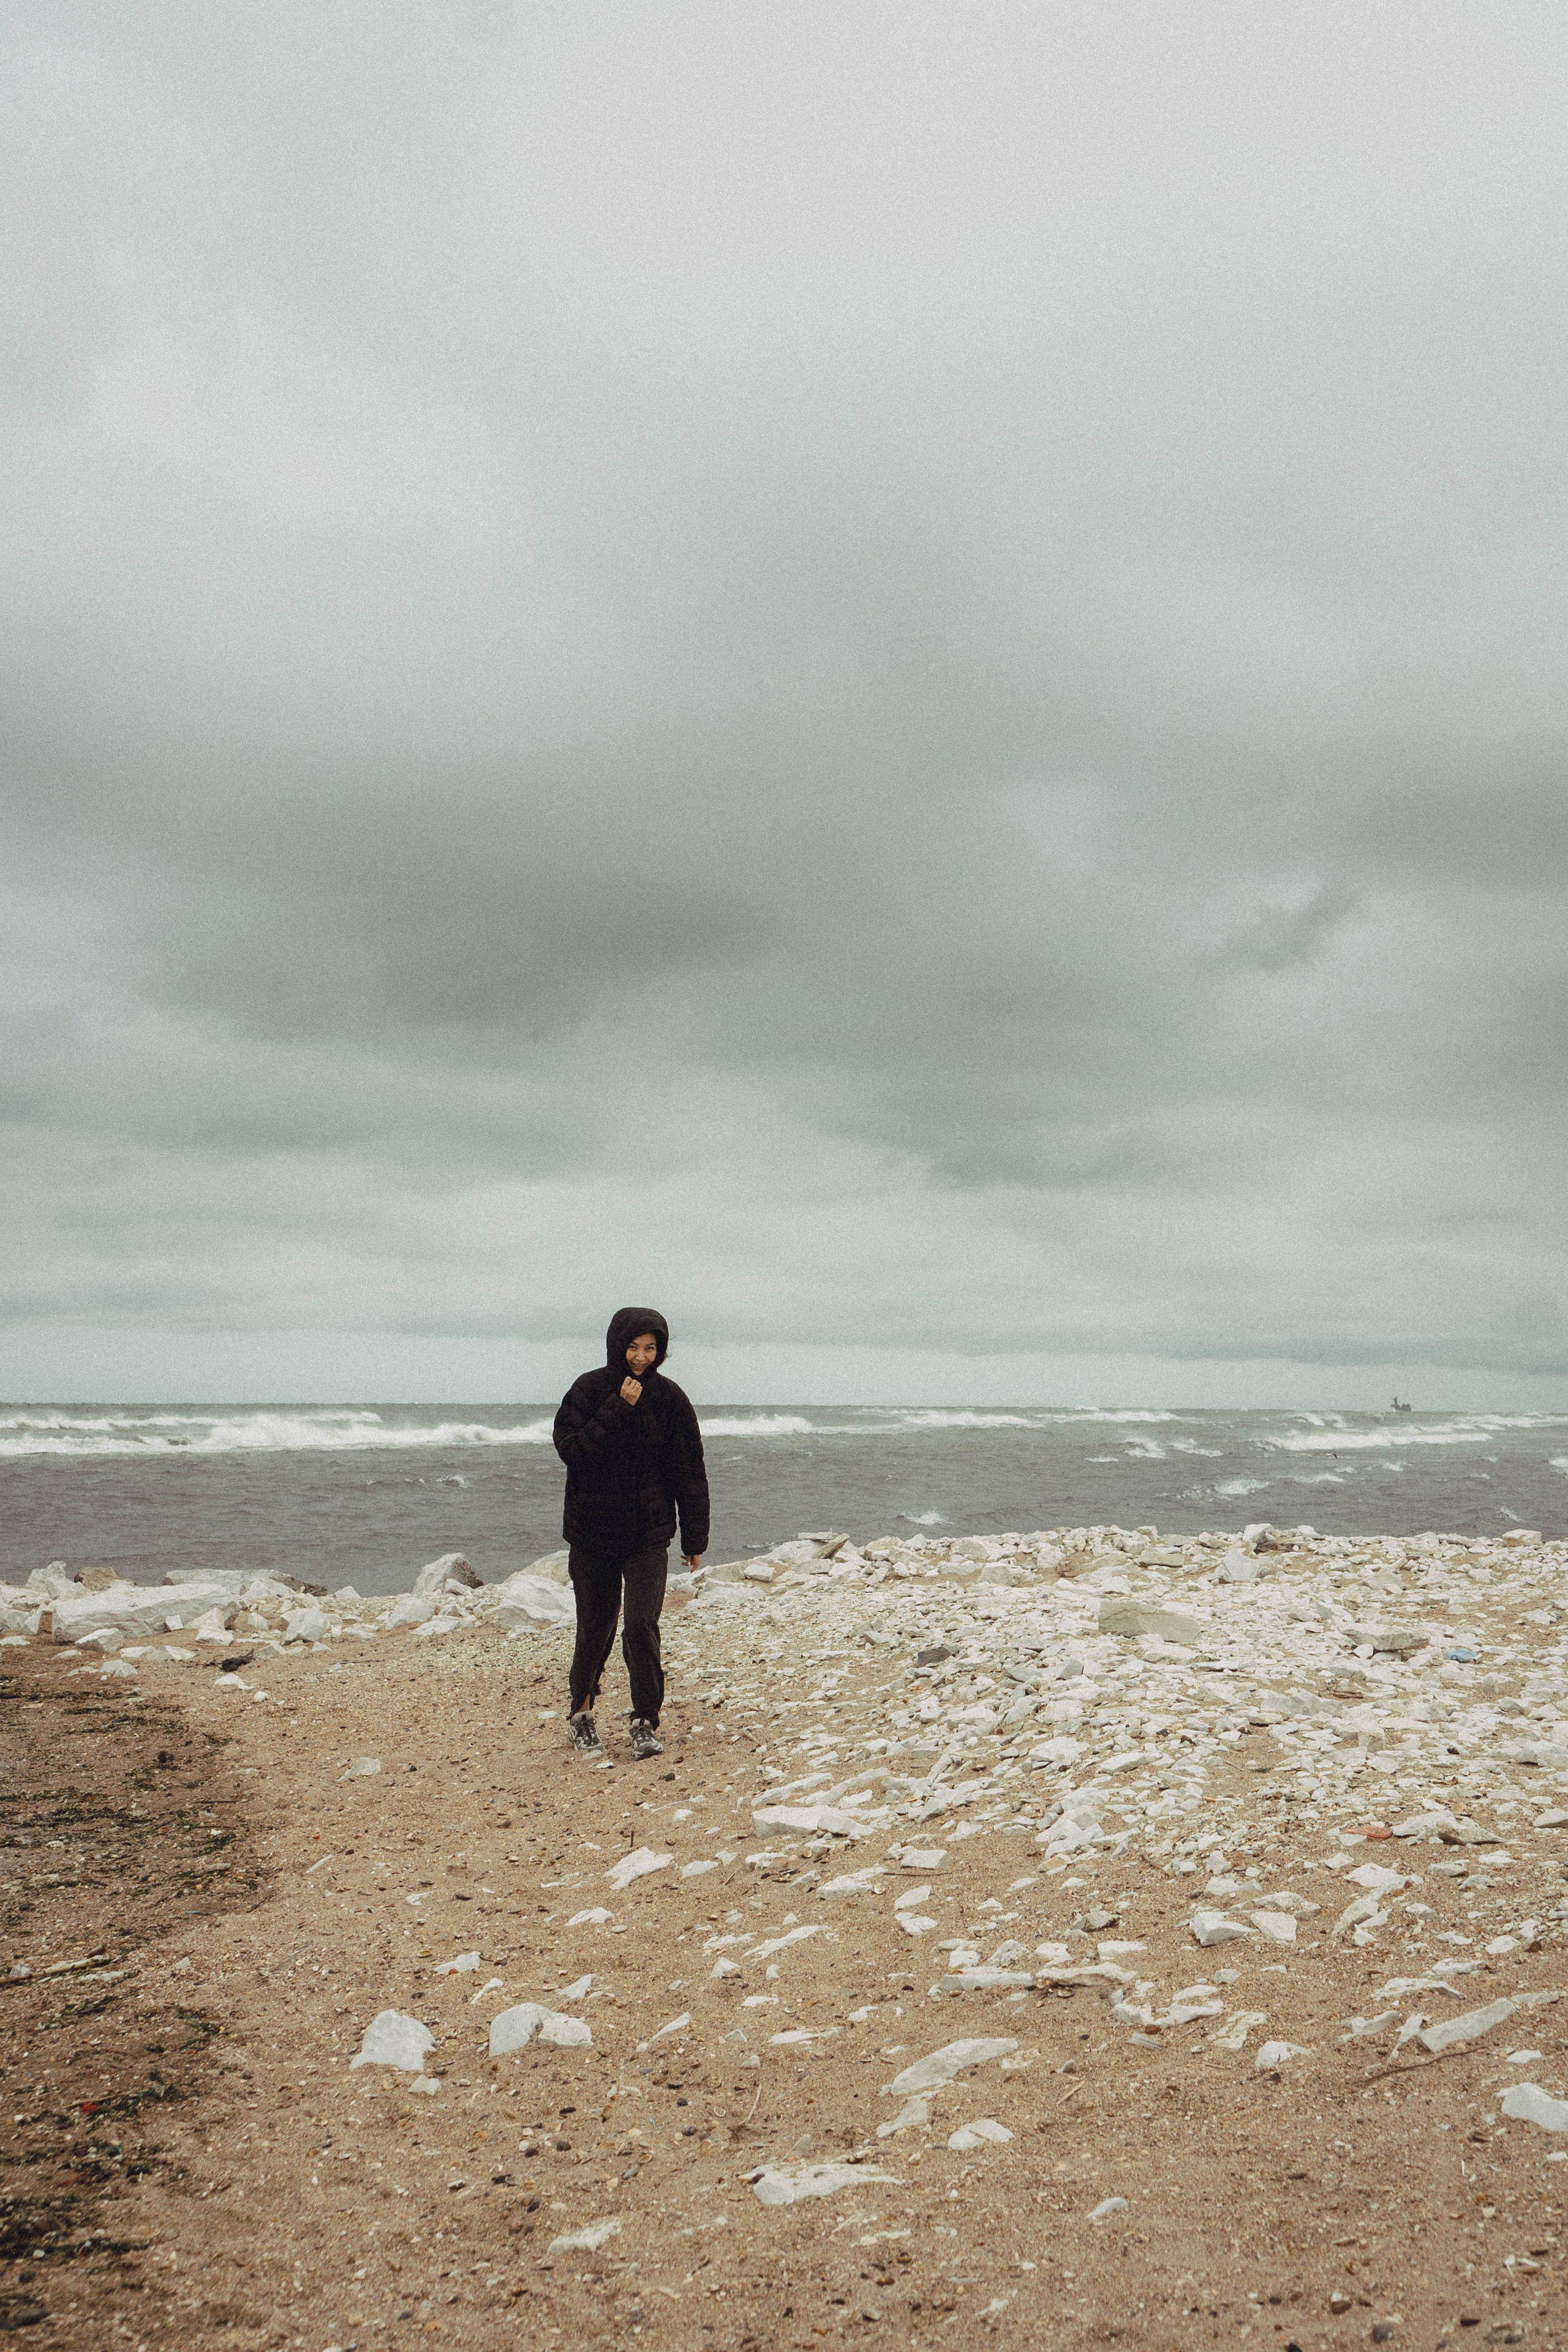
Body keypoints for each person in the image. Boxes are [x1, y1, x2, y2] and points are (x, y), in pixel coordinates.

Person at [552, 1306, 709, 1761]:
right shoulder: (588, 1389)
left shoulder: (671, 1398)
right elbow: (573, 1452)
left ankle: (645, 1720)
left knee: (641, 1625)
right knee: (595, 1628)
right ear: (616, 1345)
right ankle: (581, 1716)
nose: (641, 1357)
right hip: (592, 1535)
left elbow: (689, 1471)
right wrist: (619, 1406)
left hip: (648, 1535)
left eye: (651, 1348)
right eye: (633, 1347)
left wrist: (694, 1537)